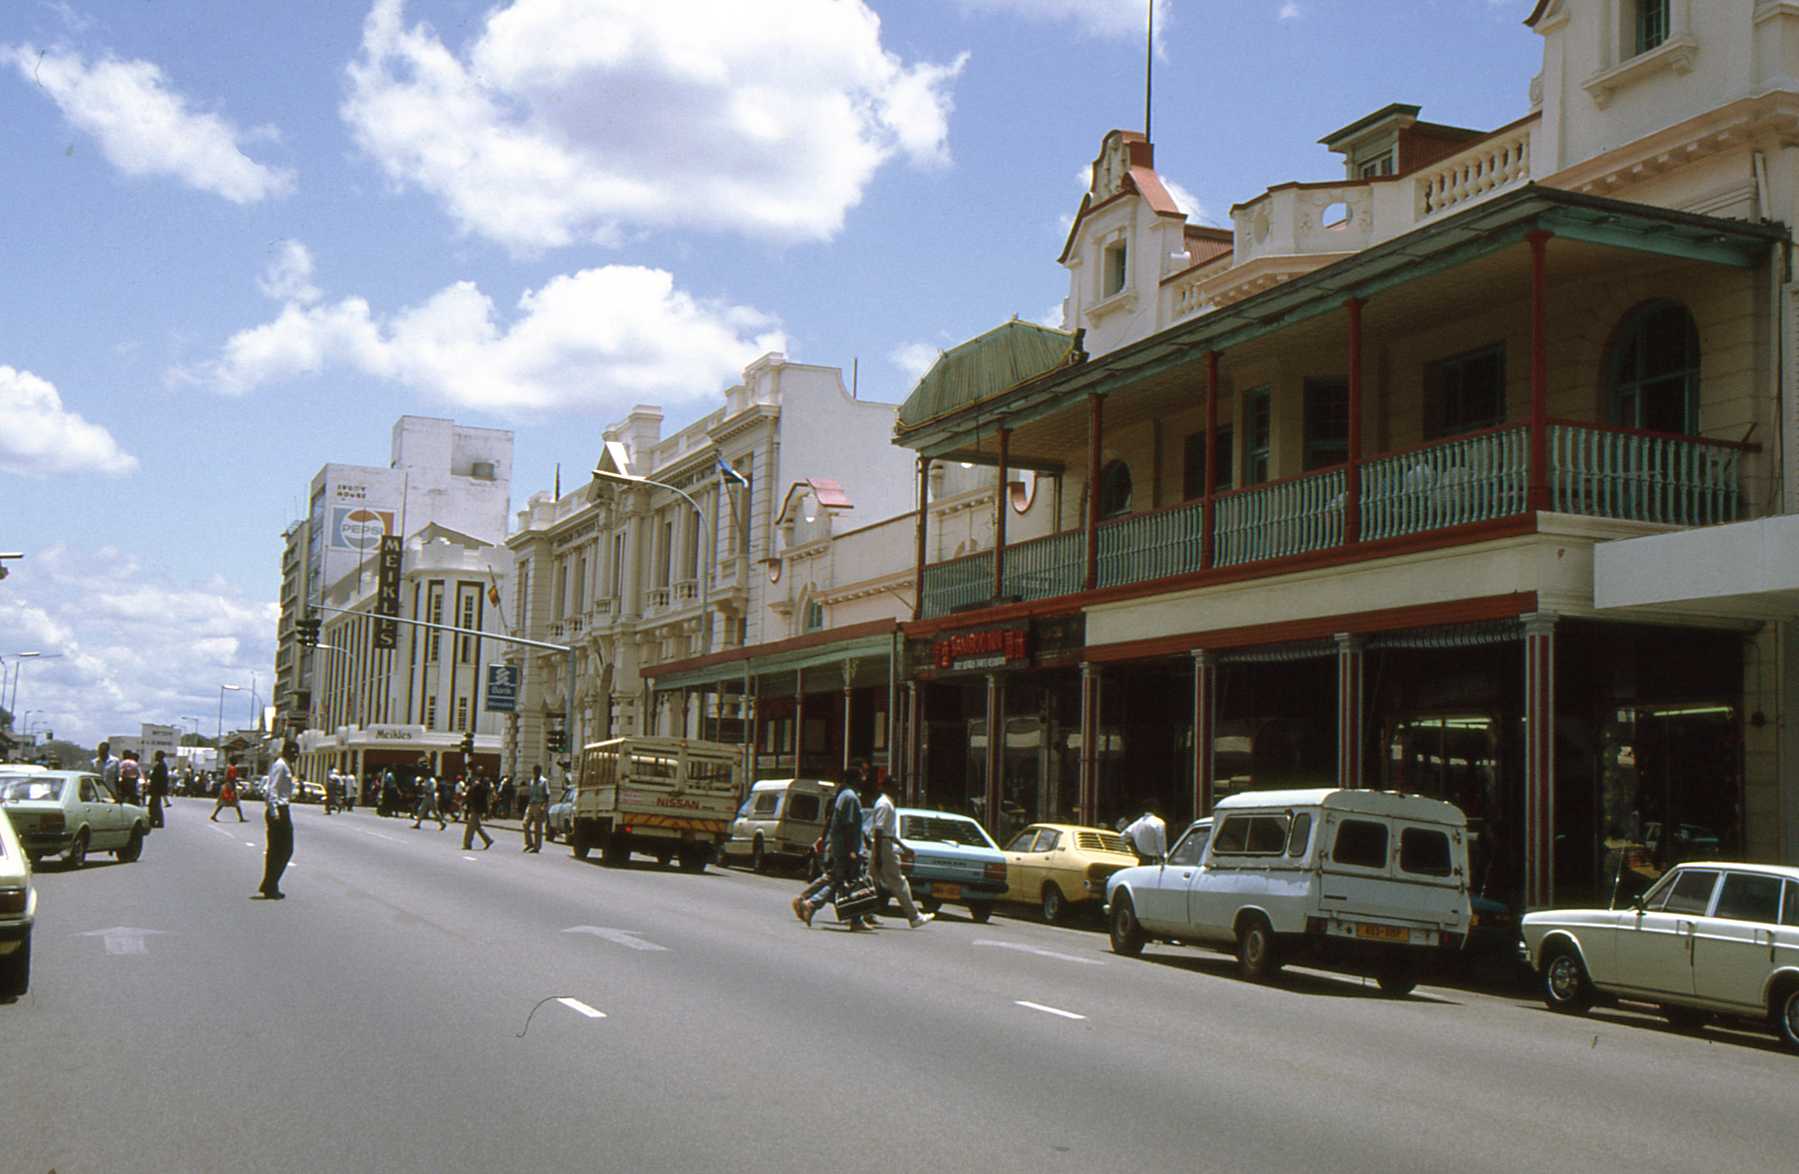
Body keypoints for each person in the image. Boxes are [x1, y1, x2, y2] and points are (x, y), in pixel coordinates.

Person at [793, 768, 867, 928]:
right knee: (846, 881)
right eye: (862, 776)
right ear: (855, 779)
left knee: (836, 878)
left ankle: (854, 919)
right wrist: (851, 851)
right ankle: (811, 904)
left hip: (839, 846)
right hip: (846, 848)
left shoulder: (844, 795)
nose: (864, 780)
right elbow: (847, 825)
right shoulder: (851, 798)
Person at [867, 771, 931, 929]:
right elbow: (879, 830)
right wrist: (879, 855)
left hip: (883, 843)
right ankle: (914, 916)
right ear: (887, 787)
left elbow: (888, 832)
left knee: (870, 880)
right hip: (883, 846)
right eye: (896, 787)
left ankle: (864, 913)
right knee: (898, 881)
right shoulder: (884, 804)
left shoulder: (887, 803)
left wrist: (903, 847)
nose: (898, 790)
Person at [255, 741, 296, 900]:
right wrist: (274, 811)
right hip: (279, 809)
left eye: (297, 751)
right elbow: (271, 789)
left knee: (279, 850)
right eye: (292, 751)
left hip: (282, 808)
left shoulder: (286, 765)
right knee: (283, 850)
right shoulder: (280, 765)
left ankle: (270, 884)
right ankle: (270, 884)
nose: (295, 754)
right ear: (285, 751)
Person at [462, 769, 494, 850]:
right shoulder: (477, 783)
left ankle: (467, 844)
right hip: (475, 806)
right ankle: (488, 840)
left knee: (470, 827)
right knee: (476, 826)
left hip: (477, 807)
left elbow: (482, 795)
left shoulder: (482, 784)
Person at [522, 764, 549, 853]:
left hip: (539, 804)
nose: (535, 773)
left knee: (538, 827)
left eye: (536, 771)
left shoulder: (544, 781)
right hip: (531, 804)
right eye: (534, 771)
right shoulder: (532, 781)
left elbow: (547, 794)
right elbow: (530, 793)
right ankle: (529, 843)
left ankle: (537, 847)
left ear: (540, 772)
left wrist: (543, 806)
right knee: (525, 824)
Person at [412, 765, 446, 830]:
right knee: (421, 809)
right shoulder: (426, 780)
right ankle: (418, 824)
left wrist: (426, 790)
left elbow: (432, 789)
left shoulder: (432, 780)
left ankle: (442, 823)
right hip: (426, 797)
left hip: (431, 797)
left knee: (435, 812)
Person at [147, 750, 171, 828]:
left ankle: (158, 821)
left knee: (155, 806)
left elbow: (162, 779)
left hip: (157, 790)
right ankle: (154, 820)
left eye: (156, 756)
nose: (155, 757)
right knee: (154, 805)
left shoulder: (161, 766)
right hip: (156, 789)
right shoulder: (161, 765)